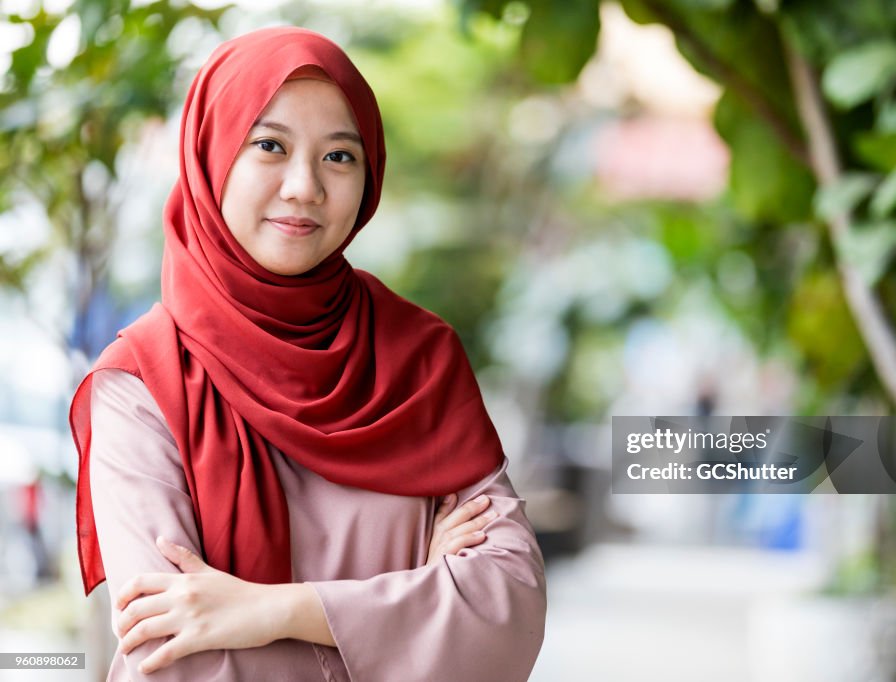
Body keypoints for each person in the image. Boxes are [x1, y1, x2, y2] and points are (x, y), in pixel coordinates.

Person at [70, 26, 546, 681]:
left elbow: (506, 609)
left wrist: (275, 611)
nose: (304, 187)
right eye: (269, 145)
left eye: (340, 157)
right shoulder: (140, 384)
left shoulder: (419, 359)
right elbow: (174, 655)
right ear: (211, 155)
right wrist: (416, 602)